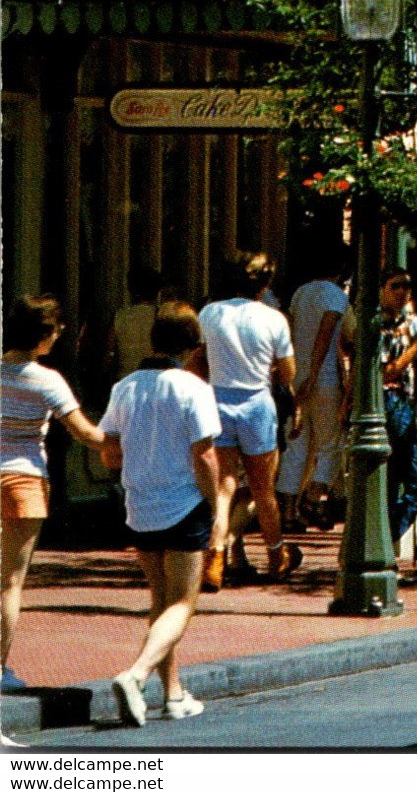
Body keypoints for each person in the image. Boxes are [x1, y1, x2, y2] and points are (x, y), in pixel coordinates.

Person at [102, 302, 219, 727]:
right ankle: (136, 675)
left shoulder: (125, 387)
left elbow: (109, 448)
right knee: (182, 604)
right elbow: (204, 455)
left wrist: (133, 469)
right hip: (183, 503)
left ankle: (173, 694)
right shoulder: (193, 388)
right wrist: (217, 507)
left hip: (140, 504)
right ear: (191, 347)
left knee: (161, 602)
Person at [1, 297, 107, 692]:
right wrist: (124, 440)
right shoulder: (47, 380)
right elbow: (85, 433)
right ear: (45, 335)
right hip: (24, 480)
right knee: (9, 581)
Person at [196, 251, 299, 590]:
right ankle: (275, 554)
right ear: (264, 283)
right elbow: (288, 373)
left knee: (223, 486)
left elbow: (200, 359)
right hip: (256, 402)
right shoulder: (274, 319)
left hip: (218, 400)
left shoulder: (210, 313)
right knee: (263, 489)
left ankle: (215, 555)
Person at [277, 241, 350, 531]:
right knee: (331, 442)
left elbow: (293, 331)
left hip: (297, 371)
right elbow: (327, 333)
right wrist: (315, 373)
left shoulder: (301, 293)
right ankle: (312, 496)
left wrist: (298, 373)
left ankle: (290, 511)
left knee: (297, 441)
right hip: (324, 377)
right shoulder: (336, 296)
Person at [360, 269, 417, 543]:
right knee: (390, 477)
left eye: (407, 286)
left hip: (405, 402)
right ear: (382, 289)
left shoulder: (410, 321)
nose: (403, 292)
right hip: (386, 401)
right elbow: (386, 371)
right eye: (396, 286)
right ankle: (385, 538)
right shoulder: (376, 323)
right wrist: (416, 349)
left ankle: (390, 533)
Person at [108, 268, 166, 383]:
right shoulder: (162, 317)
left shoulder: (120, 316)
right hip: (154, 381)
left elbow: (109, 352)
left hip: (126, 379)